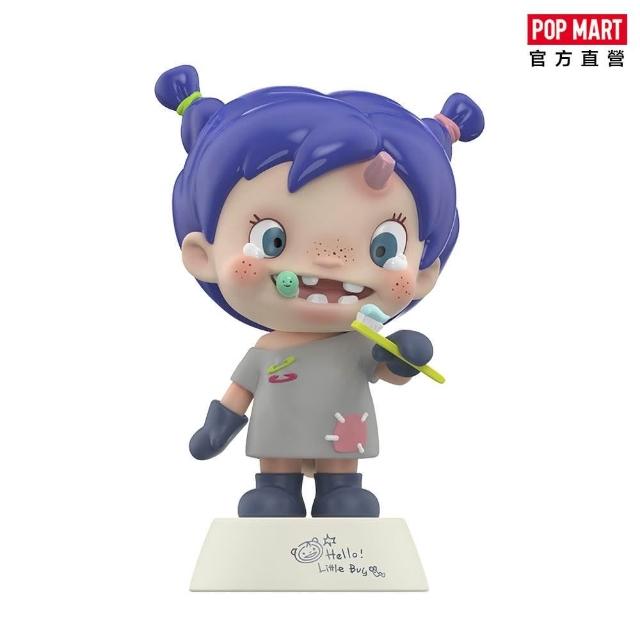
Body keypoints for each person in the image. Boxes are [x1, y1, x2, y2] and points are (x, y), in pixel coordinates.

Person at [155, 65, 484, 518]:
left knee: (342, 483)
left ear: (425, 273)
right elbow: (240, 391)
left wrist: (402, 358)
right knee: (274, 485)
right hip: (278, 440)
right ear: (202, 255)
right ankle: (277, 489)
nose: (329, 260)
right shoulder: (266, 351)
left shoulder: (360, 343)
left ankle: (338, 491)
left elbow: (387, 372)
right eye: (273, 239)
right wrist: (220, 426)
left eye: (383, 248)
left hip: (341, 437)